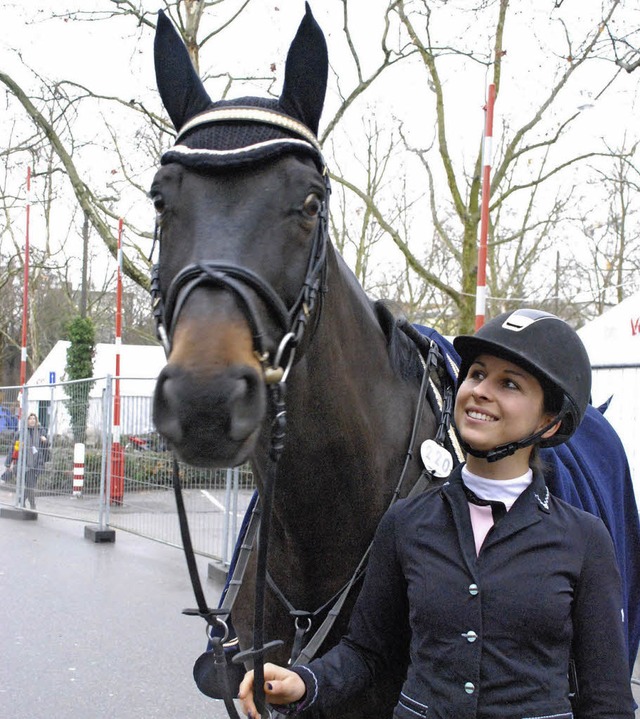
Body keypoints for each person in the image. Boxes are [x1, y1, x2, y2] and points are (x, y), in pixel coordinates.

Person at [239, 308, 635, 718]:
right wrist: (305, 681)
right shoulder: (405, 523)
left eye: (510, 384)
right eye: (477, 374)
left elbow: (607, 700)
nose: (481, 390)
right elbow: (367, 652)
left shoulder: (584, 540)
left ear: (549, 424)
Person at [5, 413, 49, 509]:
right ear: (27, 421)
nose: (32, 420)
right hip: (24, 464)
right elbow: (14, 449)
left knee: (30, 485)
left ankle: (22, 501)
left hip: (36, 463)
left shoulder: (41, 431)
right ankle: (33, 505)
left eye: (34, 418)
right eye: (30, 418)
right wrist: (9, 463)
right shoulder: (21, 433)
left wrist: (45, 440)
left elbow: (47, 445)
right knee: (30, 485)